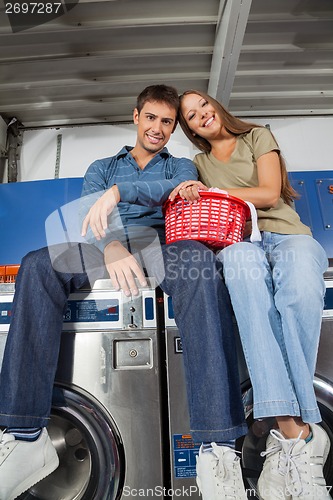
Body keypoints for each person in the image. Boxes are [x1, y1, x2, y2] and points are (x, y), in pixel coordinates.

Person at [0, 85, 248, 500]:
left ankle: (217, 449)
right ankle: (26, 438)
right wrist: (111, 244)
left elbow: (176, 194)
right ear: (136, 117)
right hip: (104, 247)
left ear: (173, 129)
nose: (158, 128)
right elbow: (88, 209)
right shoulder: (102, 166)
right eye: (151, 117)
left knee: (200, 263)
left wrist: (124, 195)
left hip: (161, 244)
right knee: (38, 264)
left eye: (167, 122)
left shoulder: (182, 166)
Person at [170, 89, 330, 499]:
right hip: (239, 242)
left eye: (203, 105)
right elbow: (195, 209)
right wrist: (189, 189)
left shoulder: (258, 136)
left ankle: (288, 432)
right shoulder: (199, 164)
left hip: (286, 235)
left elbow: (270, 193)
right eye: (191, 115)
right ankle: (299, 437)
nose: (201, 114)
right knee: (252, 301)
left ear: (216, 106)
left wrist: (214, 195)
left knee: (297, 295)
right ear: (189, 128)